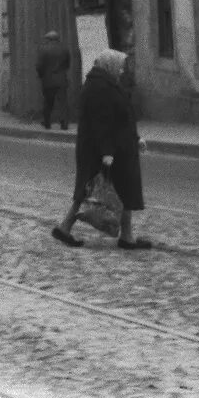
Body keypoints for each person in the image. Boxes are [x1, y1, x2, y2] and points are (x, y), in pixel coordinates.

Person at [53, 49, 152, 250]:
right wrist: (107, 152)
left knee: (110, 192)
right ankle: (125, 237)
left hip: (118, 146)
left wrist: (136, 138)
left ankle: (68, 229)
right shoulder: (99, 87)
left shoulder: (107, 83)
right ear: (109, 65)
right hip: (106, 150)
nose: (122, 70)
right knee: (101, 192)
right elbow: (102, 122)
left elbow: (122, 117)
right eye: (120, 65)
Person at [36, 30, 73, 131]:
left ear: (49, 39)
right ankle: (64, 124)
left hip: (48, 80)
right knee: (63, 102)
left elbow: (39, 66)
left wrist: (41, 75)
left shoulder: (43, 49)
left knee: (48, 102)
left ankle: (47, 123)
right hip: (61, 79)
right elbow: (67, 64)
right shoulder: (64, 49)